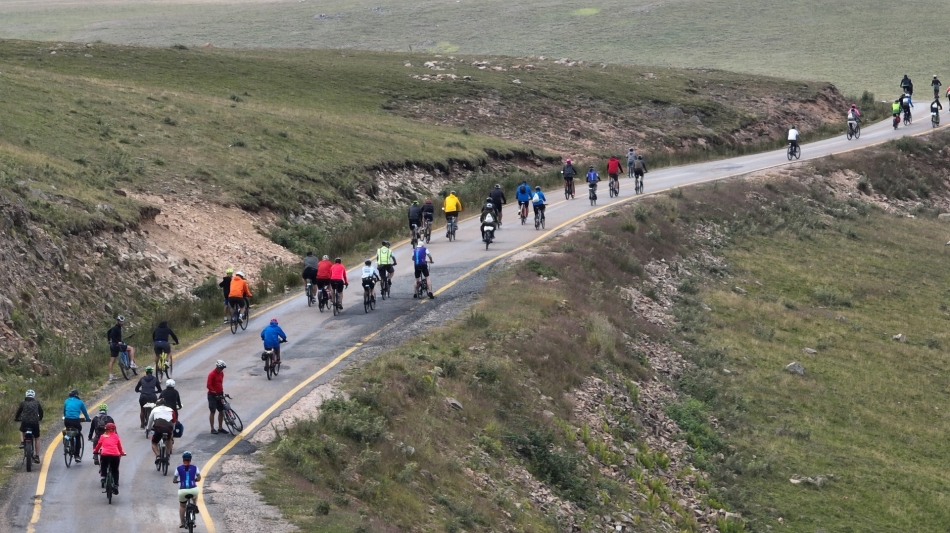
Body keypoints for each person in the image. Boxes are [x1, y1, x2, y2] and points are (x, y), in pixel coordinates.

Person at [93, 422, 125, 493]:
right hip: (115, 455)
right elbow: (119, 447)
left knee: (103, 464)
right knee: (115, 470)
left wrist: (95, 451)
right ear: (114, 429)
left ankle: (103, 476)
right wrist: (122, 453)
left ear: (105, 429)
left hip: (105, 454)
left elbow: (98, 445)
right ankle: (116, 485)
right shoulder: (116, 436)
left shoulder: (103, 436)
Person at [174, 451, 202, 528]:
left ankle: (182, 523)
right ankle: (195, 505)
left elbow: (174, 479)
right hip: (193, 490)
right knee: (195, 495)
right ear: (190, 459)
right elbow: (199, 478)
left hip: (182, 491)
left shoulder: (178, 468)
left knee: (182, 506)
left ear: (183, 459)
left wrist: (176, 481)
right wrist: (195, 480)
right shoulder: (195, 467)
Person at [14, 389, 43, 462]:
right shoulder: (37, 403)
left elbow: (18, 412)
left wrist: (16, 418)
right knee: (37, 438)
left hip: (25, 422)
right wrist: (40, 418)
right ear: (33, 396)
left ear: (26, 395)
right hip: (35, 423)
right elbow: (41, 412)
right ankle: (37, 456)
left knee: (21, 430)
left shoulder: (23, 403)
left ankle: (22, 442)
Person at [63, 389, 90, 462]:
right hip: (75, 421)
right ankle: (77, 456)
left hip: (67, 420)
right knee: (78, 436)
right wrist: (87, 419)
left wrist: (66, 416)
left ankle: (67, 440)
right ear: (77, 395)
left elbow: (64, 412)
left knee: (68, 430)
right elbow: (85, 412)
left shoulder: (66, 401)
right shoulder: (80, 402)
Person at [106, 315, 137, 381]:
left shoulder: (115, 327)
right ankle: (132, 363)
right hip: (116, 345)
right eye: (120, 321)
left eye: (122, 321)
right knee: (131, 349)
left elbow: (108, 332)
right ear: (118, 321)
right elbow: (112, 335)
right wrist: (117, 342)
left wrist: (109, 341)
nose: (122, 322)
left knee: (112, 361)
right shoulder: (116, 328)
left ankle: (111, 376)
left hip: (112, 345)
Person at [147, 397, 176, 462]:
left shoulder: (154, 410)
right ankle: (168, 454)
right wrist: (172, 430)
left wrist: (148, 429)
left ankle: (158, 456)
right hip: (168, 428)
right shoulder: (171, 410)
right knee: (169, 439)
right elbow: (174, 421)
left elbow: (150, 420)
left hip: (158, 428)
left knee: (154, 443)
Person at [207, 360, 227, 434]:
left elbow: (220, 383)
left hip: (220, 394)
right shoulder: (211, 374)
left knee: (221, 411)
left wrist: (221, 392)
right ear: (217, 367)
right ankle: (212, 428)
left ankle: (220, 428)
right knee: (213, 411)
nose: (222, 369)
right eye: (221, 368)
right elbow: (208, 385)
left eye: (223, 368)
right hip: (212, 395)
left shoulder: (221, 373)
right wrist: (214, 392)